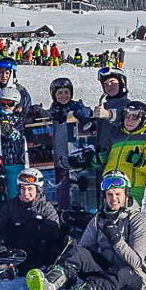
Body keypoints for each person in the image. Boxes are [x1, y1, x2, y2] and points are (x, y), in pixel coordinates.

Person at [25, 170, 146, 290]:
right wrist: (70, 261)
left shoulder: (139, 221)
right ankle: (50, 286)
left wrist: (117, 240)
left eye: (118, 194)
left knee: (121, 272)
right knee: (75, 251)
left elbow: (136, 263)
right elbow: (82, 248)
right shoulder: (99, 219)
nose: (113, 199)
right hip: (106, 268)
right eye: (109, 194)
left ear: (126, 194)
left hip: (132, 278)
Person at [0, 168, 62, 273]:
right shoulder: (11, 206)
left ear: (38, 190)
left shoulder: (46, 208)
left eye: (30, 189)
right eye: (23, 189)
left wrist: (38, 225)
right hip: (14, 249)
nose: (25, 193)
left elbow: (55, 233)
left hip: (37, 252)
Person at [48, 77, 94, 211]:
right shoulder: (52, 112)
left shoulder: (77, 109)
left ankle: (79, 216)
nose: (64, 96)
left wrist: (83, 116)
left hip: (75, 160)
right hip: (58, 159)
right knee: (60, 193)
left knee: (76, 192)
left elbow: (87, 114)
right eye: (60, 93)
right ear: (54, 95)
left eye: (67, 92)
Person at [102, 100, 146, 206]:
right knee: (109, 219)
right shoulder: (116, 137)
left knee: (128, 218)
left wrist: (139, 162)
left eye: (135, 118)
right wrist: (100, 160)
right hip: (111, 187)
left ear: (143, 120)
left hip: (132, 189)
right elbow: (108, 160)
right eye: (127, 117)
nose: (129, 121)